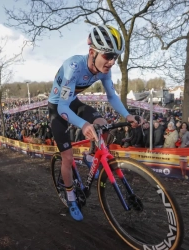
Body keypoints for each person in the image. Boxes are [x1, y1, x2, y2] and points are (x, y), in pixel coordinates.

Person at [47, 25, 137, 221]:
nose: (112, 61)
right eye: (108, 55)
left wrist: (127, 115)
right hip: (57, 108)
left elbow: (112, 96)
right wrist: (83, 125)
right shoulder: (73, 67)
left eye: (116, 57)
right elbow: (62, 107)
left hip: (73, 102)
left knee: (102, 124)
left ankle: (90, 156)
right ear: (92, 52)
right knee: (68, 158)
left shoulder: (105, 70)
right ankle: (71, 197)